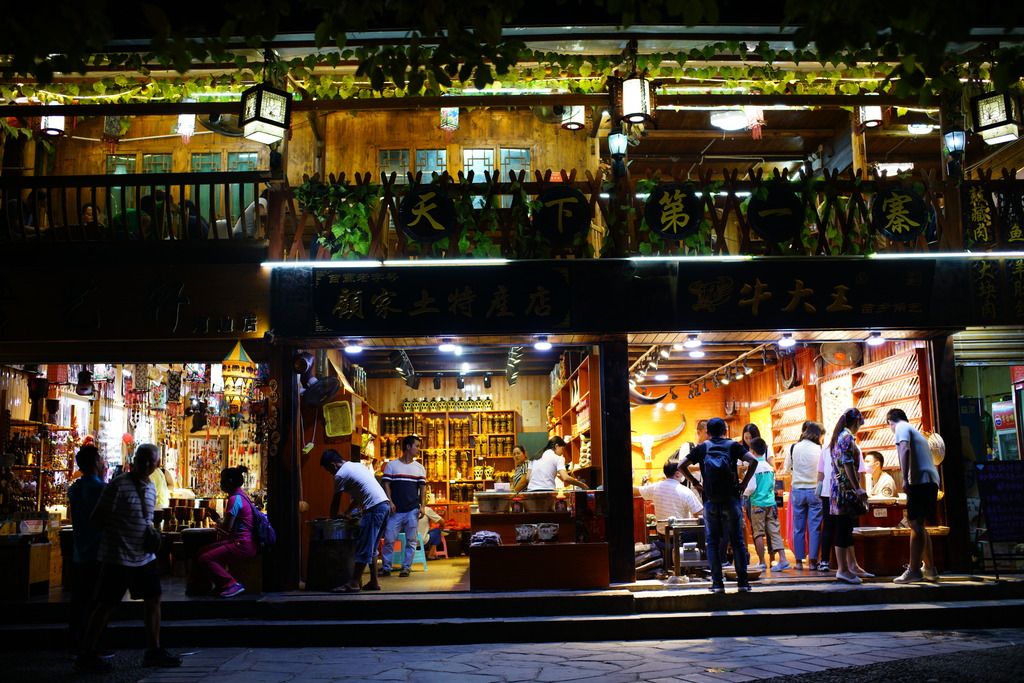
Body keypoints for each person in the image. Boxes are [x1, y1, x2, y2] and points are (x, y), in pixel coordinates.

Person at [75, 444, 181, 673]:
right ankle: (87, 653)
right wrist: (118, 534)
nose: (145, 464)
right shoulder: (118, 485)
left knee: (153, 598)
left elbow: (146, 519)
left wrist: (149, 533)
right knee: (106, 604)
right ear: (134, 460)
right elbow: (98, 518)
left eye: (151, 461)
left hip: (144, 556)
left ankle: (153, 650)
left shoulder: (151, 486)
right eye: (142, 459)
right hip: (118, 556)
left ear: (157, 465)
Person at [682, 417, 758, 594]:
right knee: (737, 541)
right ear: (725, 431)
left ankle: (717, 584)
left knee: (712, 543)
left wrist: (696, 483)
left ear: (708, 432)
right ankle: (743, 583)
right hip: (731, 499)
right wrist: (744, 483)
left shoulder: (703, 447)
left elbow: (681, 465)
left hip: (711, 501)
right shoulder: (733, 446)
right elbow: (753, 461)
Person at [321, 449, 390, 592]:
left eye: (328, 470)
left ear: (333, 465)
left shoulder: (340, 474)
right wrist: (347, 512)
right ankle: (374, 582)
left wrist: (332, 519)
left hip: (374, 509)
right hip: (384, 506)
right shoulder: (357, 466)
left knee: (364, 547)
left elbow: (336, 500)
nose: (330, 473)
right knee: (372, 547)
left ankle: (353, 583)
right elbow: (360, 496)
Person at [887, 409, 941, 584]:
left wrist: (905, 478)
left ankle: (914, 570)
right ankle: (930, 569)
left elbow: (904, 449)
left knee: (915, 524)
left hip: (920, 481)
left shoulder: (901, 427)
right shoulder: (914, 430)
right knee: (920, 525)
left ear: (890, 422)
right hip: (931, 480)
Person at [66, 445, 107, 653]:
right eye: (100, 459)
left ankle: (76, 641)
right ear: (96, 463)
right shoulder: (101, 489)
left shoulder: (74, 489)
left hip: (79, 549)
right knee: (97, 599)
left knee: (79, 598)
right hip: (98, 550)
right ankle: (93, 645)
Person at [197, 466, 257, 598]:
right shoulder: (242, 496)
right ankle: (220, 585)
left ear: (229, 481)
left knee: (205, 558)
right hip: (242, 542)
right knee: (202, 551)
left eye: (222, 480)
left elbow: (226, 528)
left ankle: (230, 584)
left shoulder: (235, 499)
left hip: (242, 544)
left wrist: (217, 520)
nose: (220, 483)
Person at [828, 409, 871, 585]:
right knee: (843, 529)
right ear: (857, 422)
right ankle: (843, 569)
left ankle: (850, 566)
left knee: (845, 528)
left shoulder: (838, 436)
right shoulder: (846, 437)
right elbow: (847, 464)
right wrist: (857, 488)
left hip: (838, 487)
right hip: (844, 490)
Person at [380, 434, 427, 577]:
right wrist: (390, 501)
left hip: (412, 509)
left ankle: (406, 567)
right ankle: (386, 567)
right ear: (408, 447)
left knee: (411, 540)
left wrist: (423, 506)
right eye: (416, 446)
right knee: (389, 539)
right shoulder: (392, 465)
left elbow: (423, 489)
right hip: (395, 510)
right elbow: (386, 485)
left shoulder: (419, 468)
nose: (418, 449)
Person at [784, 421, 825, 570]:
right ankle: (813, 562)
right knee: (814, 528)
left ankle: (798, 562)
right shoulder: (820, 449)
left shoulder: (793, 447)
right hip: (815, 491)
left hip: (798, 490)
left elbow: (787, 469)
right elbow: (823, 470)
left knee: (798, 528)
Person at [635, 455, 704, 535]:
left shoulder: (655, 487)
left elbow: (637, 491)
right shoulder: (686, 491)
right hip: (681, 537)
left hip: (661, 535)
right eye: (683, 471)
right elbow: (699, 515)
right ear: (677, 474)